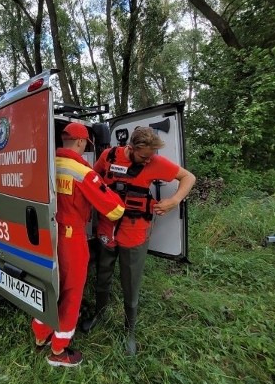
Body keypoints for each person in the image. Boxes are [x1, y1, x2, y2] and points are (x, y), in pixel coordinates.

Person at [80, 126, 196, 355]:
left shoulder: (154, 161)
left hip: (135, 231)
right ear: (131, 148)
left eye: (151, 156)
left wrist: (174, 200)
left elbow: (188, 177)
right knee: (102, 274)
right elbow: (91, 180)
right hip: (107, 227)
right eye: (144, 156)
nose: (148, 161)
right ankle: (100, 314)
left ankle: (129, 330)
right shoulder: (109, 156)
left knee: (130, 281)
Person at [32, 123, 125, 367]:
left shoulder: (45, 164)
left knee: (49, 287)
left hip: (45, 234)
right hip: (71, 240)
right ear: (82, 142)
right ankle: (59, 352)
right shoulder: (82, 171)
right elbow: (114, 210)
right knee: (71, 293)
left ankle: (41, 336)